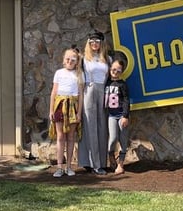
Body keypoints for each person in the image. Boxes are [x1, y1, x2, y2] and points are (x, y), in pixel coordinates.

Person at [77, 31, 111, 175]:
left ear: (101, 43)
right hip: (89, 90)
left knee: (102, 126)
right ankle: (91, 162)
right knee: (89, 126)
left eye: (97, 41)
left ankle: (101, 162)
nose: (94, 44)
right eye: (91, 42)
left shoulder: (107, 59)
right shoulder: (84, 59)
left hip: (103, 90)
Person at [48, 48, 83, 177]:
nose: (70, 61)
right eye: (67, 59)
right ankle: (59, 167)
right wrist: (51, 109)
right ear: (63, 60)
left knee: (70, 137)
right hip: (60, 105)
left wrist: (79, 113)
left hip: (73, 106)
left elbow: (80, 95)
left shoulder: (79, 74)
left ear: (76, 61)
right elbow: (53, 92)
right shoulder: (58, 73)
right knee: (60, 136)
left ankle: (69, 166)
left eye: (73, 59)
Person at [103, 57, 131, 174]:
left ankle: (120, 165)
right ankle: (111, 157)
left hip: (121, 115)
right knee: (113, 138)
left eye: (118, 70)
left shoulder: (122, 84)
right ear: (110, 69)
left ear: (122, 72)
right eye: (113, 69)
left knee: (123, 141)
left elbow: (126, 100)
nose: (115, 72)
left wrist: (125, 116)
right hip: (111, 116)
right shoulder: (107, 83)